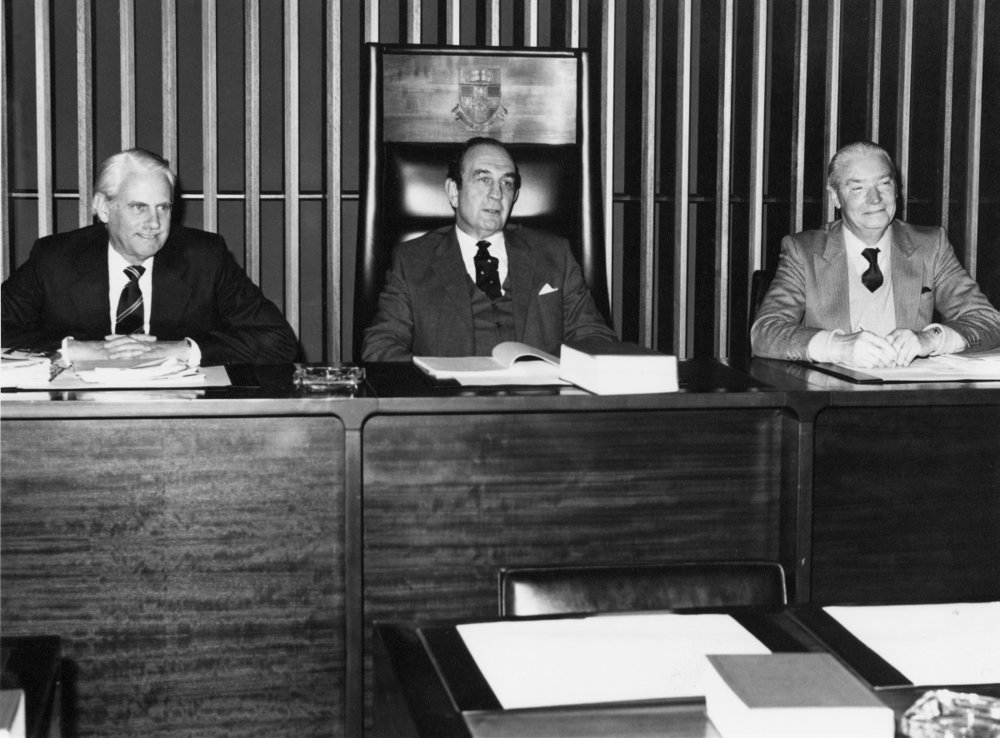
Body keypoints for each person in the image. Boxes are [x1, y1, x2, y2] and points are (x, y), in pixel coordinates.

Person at [2, 148, 298, 365]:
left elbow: (278, 340)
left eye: (163, 208)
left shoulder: (205, 257)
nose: (154, 223)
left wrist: (179, 349)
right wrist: (76, 350)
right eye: (139, 207)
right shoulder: (55, 258)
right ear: (104, 208)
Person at [361, 137, 618, 361]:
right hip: (450, 399)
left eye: (507, 183)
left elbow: (594, 336)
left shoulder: (554, 254)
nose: (497, 194)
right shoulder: (412, 260)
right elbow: (380, 346)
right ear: (453, 192)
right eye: (483, 179)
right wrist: (434, 382)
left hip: (539, 398)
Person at [751, 141, 1000, 368]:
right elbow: (764, 333)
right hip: (831, 396)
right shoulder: (803, 251)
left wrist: (931, 339)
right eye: (858, 188)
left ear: (896, 189)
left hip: (909, 396)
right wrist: (838, 346)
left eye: (884, 184)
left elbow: (988, 321)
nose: (875, 199)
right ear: (836, 196)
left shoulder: (930, 246)